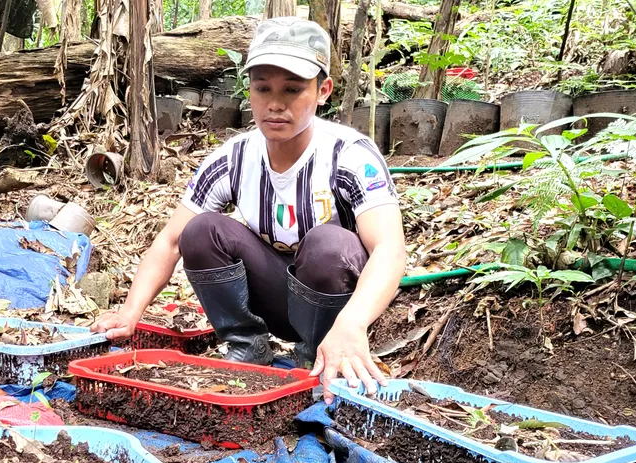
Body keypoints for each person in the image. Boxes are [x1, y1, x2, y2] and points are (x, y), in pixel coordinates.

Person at [91, 17, 406, 401]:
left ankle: (318, 355)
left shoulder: (349, 155)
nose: (275, 104)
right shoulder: (234, 158)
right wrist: (129, 312)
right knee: (202, 230)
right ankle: (247, 345)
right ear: (249, 90)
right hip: (273, 293)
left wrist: (353, 323)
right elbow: (171, 241)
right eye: (262, 89)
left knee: (330, 244)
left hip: (334, 304)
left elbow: (389, 249)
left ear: (323, 90)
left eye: (293, 90)